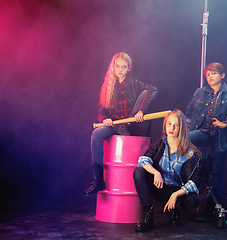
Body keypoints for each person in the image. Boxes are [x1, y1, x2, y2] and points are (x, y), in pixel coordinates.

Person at [84, 52, 158, 196]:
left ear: (129, 68)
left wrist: (141, 111)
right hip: (116, 126)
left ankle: (127, 127)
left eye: (124, 67)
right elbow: (101, 110)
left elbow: (153, 90)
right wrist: (104, 119)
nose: (120, 69)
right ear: (113, 67)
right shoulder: (106, 88)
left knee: (145, 93)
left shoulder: (134, 83)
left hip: (135, 125)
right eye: (117, 66)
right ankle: (98, 179)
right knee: (97, 133)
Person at [186, 62, 227, 222]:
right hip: (203, 132)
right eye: (208, 74)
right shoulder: (200, 92)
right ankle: (205, 161)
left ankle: (212, 208)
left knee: (218, 171)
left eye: (213, 73)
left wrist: (226, 122)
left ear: (222, 75)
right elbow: (189, 111)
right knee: (186, 140)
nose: (210, 76)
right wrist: (186, 127)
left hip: (220, 136)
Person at [133, 110, 201, 232]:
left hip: (176, 190)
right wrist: (156, 173)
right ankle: (147, 216)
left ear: (182, 128)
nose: (172, 128)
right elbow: (143, 159)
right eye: (169, 124)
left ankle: (174, 210)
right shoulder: (160, 143)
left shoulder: (190, 153)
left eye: (176, 125)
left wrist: (175, 194)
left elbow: (194, 183)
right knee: (138, 172)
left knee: (193, 200)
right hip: (159, 187)